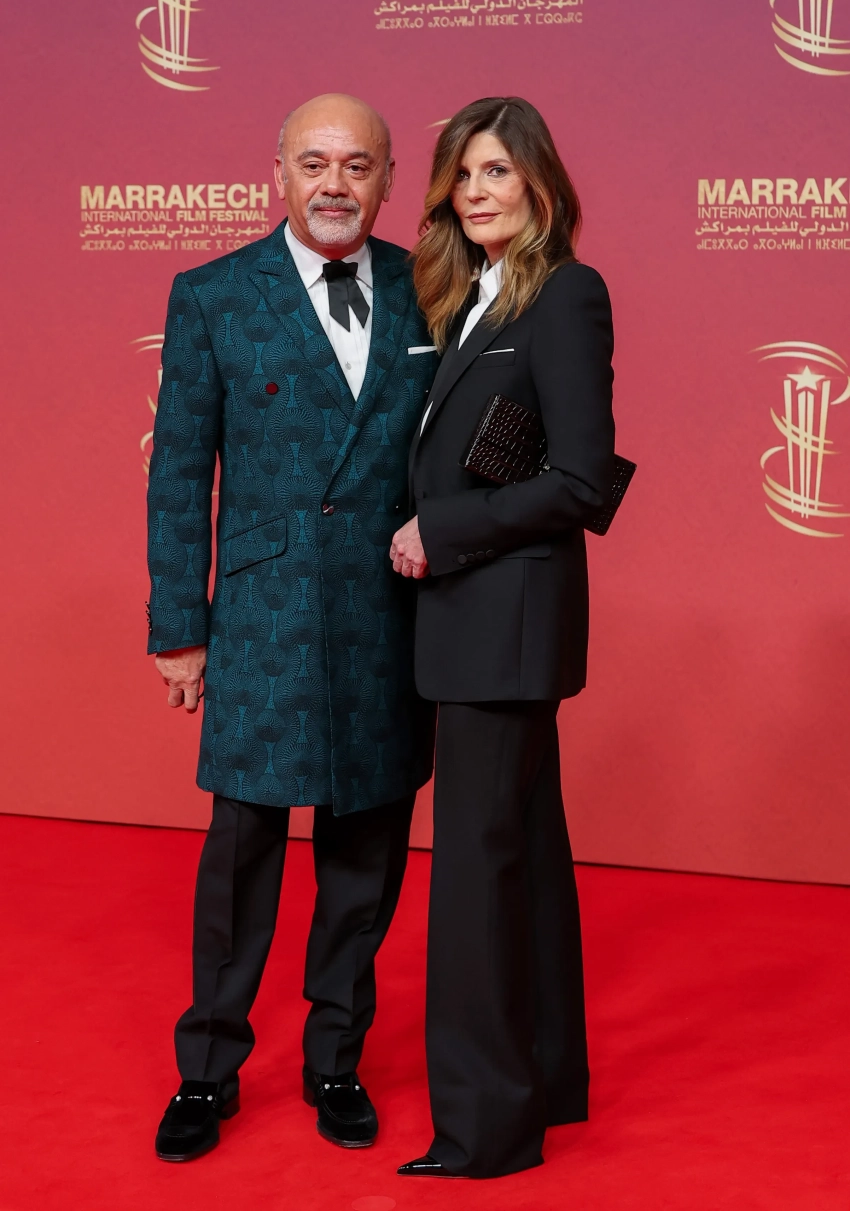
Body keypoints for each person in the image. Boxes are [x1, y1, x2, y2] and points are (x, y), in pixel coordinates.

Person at [147, 94, 438, 1162]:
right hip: (262, 621)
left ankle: (335, 1061)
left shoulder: (433, 286)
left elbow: (472, 431)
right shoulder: (213, 295)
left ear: (390, 179)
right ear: (277, 171)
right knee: (241, 858)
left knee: (366, 855)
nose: (334, 184)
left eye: (357, 164)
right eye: (314, 162)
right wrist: (179, 628)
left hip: (390, 617)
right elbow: (180, 473)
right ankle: (207, 1069)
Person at [390, 96, 616, 1178]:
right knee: (525, 854)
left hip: (501, 623)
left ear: (538, 183)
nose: (476, 192)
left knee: (478, 873)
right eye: (462, 174)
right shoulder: (472, 295)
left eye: (496, 171)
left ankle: (484, 1128)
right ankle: (548, 1080)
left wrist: (441, 529)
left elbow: (581, 479)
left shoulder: (566, 292)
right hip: (484, 625)